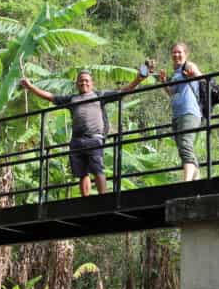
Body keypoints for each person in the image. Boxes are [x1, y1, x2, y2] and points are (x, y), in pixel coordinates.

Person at [20, 69, 146, 197]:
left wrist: (138, 79)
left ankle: (104, 198)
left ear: (92, 83)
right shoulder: (72, 99)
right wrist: (30, 87)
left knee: (98, 169)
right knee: (82, 173)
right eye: (81, 81)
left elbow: (122, 92)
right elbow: (51, 97)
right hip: (77, 140)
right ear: (77, 84)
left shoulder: (99, 95)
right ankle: (85, 200)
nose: (83, 83)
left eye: (86, 80)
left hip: (94, 139)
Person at [157, 42, 202, 182]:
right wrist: (164, 82)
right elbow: (172, 93)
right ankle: (196, 177)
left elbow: (202, 78)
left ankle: (187, 181)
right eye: (174, 52)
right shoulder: (176, 73)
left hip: (189, 111)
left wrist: (193, 74)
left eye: (179, 52)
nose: (176, 55)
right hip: (177, 114)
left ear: (185, 54)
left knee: (185, 144)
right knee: (182, 147)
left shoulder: (189, 66)